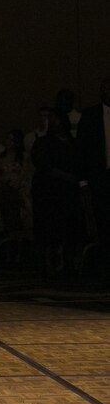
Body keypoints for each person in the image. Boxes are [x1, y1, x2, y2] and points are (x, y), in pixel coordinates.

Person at [31, 110, 82, 276]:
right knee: (48, 227)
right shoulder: (43, 143)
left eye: (55, 119)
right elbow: (43, 165)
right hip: (48, 192)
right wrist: (65, 175)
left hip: (68, 193)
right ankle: (47, 264)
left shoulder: (73, 143)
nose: (52, 123)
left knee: (69, 227)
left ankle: (68, 262)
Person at [76, 77, 110, 266]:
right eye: (106, 89)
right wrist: (83, 180)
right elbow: (82, 149)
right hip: (99, 177)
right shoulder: (90, 116)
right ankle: (105, 262)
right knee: (103, 219)